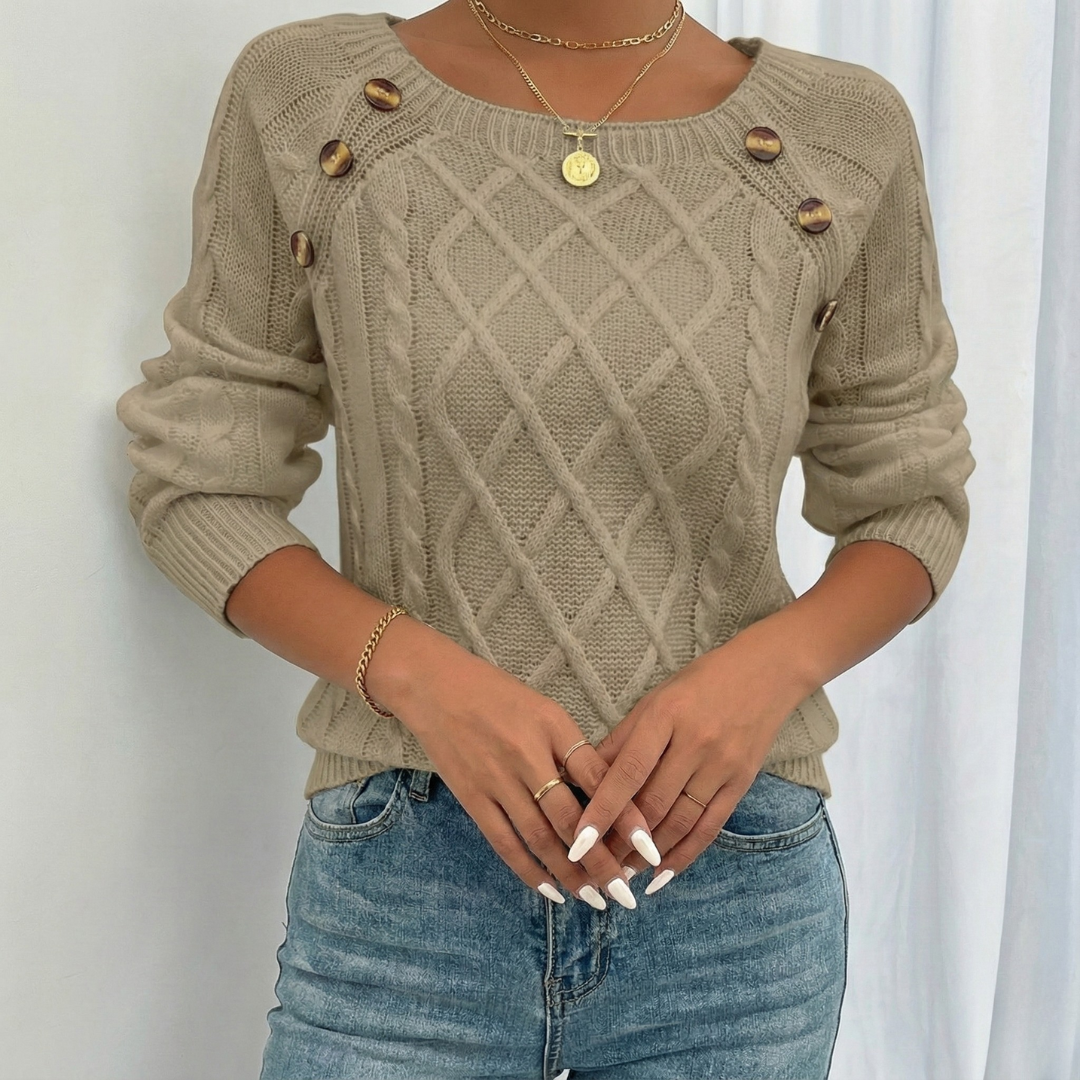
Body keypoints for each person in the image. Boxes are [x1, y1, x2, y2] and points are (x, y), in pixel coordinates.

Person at [114, 1, 975, 1076]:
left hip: (732, 893)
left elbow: (910, 500)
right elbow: (202, 479)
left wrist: (765, 674)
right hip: (407, 885)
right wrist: (417, 675)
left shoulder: (841, 131)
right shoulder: (314, 98)